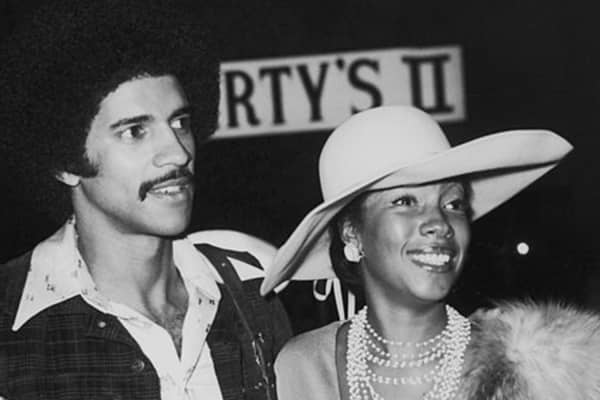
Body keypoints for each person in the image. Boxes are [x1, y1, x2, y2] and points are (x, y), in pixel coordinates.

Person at [0, 1, 291, 399]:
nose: (178, 153)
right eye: (135, 131)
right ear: (66, 162)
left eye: (181, 123)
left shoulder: (253, 292)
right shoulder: (11, 324)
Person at [260, 106, 600, 399]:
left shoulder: (539, 371)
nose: (440, 223)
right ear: (352, 233)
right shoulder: (300, 368)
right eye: (405, 201)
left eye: (453, 204)